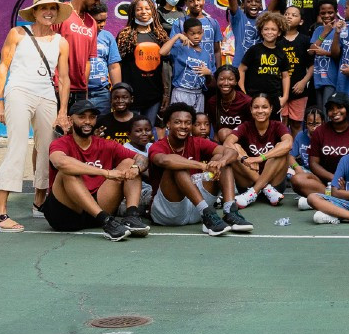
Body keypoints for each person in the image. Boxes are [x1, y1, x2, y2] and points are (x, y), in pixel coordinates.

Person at [0, 0, 72, 230]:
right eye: (43, 8)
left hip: (47, 96)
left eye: (53, 8)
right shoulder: (17, 33)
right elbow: (3, 66)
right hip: (18, 92)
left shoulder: (61, 42)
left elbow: (64, 79)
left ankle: (39, 202)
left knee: (47, 150)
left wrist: (63, 110)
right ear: (34, 12)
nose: (49, 12)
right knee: (16, 148)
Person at [40, 99, 148, 240]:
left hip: (97, 210)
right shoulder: (60, 143)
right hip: (66, 214)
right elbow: (60, 162)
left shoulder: (107, 145)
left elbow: (142, 158)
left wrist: (136, 168)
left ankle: (131, 216)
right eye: (82, 117)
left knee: (129, 162)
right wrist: (106, 173)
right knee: (67, 171)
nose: (87, 121)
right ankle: (106, 221)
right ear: (70, 120)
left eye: (92, 117)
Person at [148, 103, 250, 236]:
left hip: (196, 209)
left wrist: (221, 163)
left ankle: (230, 211)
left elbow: (231, 152)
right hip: (168, 211)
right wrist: (202, 166)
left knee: (221, 158)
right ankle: (207, 213)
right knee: (177, 165)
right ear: (168, 124)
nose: (183, 126)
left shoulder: (196, 141)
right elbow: (164, 160)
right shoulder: (158, 146)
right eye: (178, 122)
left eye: (188, 123)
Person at [227, 92, 293, 208]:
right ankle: (265, 188)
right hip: (248, 181)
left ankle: (256, 190)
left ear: (271, 109)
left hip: (275, 183)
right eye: (256, 107)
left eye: (265, 107)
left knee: (281, 148)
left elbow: (288, 144)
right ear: (251, 109)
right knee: (234, 149)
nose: (260, 111)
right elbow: (227, 142)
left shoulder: (278, 126)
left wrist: (259, 158)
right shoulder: (246, 126)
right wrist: (245, 159)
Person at [57, 0, 106, 107]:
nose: (98, 2)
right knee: (55, 127)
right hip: (57, 87)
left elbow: (87, 60)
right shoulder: (61, 13)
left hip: (79, 90)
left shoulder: (92, 23)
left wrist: (84, 89)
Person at [163, 15, 215, 114]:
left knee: (195, 124)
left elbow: (209, 82)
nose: (196, 36)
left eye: (199, 33)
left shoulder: (205, 54)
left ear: (203, 32)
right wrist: (177, 36)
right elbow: (162, 52)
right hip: (181, 92)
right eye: (192, 34)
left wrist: (208, 73)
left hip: (198, 94)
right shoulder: (180, 47)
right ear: (185, 34)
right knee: (180, 120)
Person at [222, 0, 264, 69]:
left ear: (261, 5)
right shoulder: (239, 18)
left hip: (258, 67)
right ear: (243, 5)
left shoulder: (264, 18)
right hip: (239, 67)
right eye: (249, 1)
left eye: (257, 1)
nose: (253, 4)